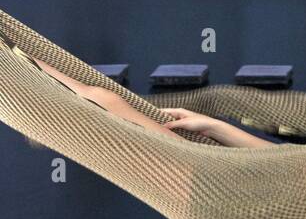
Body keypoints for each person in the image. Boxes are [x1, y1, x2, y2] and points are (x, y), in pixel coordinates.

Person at [26, 53, 278, 149]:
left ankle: (18, 58)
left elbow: (293, 164)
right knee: (102, 101)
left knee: (102, 101)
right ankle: (18, 57)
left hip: (214, 177)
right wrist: (214, 126)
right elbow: (288, 158)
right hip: (227, 171)